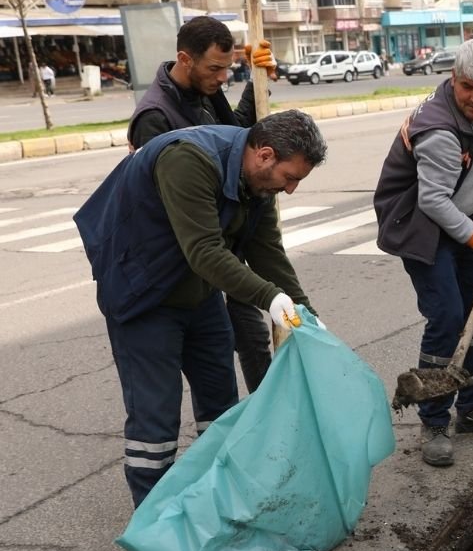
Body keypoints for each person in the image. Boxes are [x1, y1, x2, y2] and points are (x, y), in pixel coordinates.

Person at [73, 110, 327, 507]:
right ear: (264, 155)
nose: (291, 189)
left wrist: (304, 311)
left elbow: (266, 250)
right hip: (143, 296)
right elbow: (204, 251)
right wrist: (269, 298)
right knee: (155, 424)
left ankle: (214, 505)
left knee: (220, 409)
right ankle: (154, 523)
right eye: (290, 177)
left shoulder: (257, 182)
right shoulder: (188, 159)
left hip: (200, 294)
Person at [373, 39, 473, 468]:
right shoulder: (440, 129)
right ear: (453, 79)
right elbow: (434, 202)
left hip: (456, 219)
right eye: (468, 88)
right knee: (446, 315)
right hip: (420, 224)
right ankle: (434, 418)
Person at [128, 15, 279, 394]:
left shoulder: (204, 91)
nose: (222, 77)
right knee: (239, 338)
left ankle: (267, 410)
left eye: (229, 68)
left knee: (250, 335)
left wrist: (257, 83)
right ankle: (266, 409)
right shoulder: (155, 117)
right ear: (185, 59)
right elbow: (175, 205)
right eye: (216, 68)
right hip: (189, 258)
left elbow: (238, 135)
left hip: (223, 237)